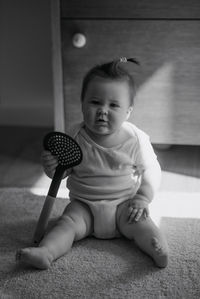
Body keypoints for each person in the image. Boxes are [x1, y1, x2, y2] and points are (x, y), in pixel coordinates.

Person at [16, 57, 169, 269]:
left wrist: (143, 198)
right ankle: (46, 252)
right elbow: (64, 169)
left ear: (128, 111)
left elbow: (152, 169)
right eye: (95, 102)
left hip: (124, 205)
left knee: (142, 223)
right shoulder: (75, 134)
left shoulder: (136, 139)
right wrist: (51, 167)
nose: (103, 111)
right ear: (82, 104)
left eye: (113, 105)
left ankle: (157, 248)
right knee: (66, 224)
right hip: (84, 206)